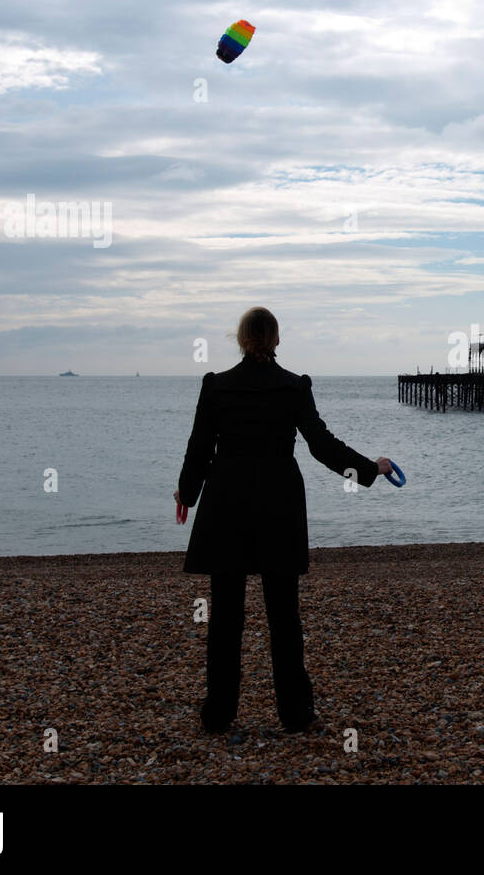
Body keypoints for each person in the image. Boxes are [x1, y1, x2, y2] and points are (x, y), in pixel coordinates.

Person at [174, 306, 392, 734]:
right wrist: (372, 469)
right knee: (284, 617)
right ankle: (296, 714)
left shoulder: (217, 386)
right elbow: (322, 446)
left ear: (240, 340)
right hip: (278, 504)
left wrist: (188, 492)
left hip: (227, 504)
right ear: (276, 340)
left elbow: (199, 447)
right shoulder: (293, 387)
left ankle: (218, 714)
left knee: (225, 619)